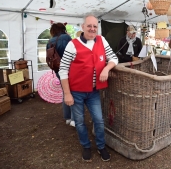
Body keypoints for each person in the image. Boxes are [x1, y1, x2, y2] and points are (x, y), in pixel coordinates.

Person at [59, 14, 118, 162]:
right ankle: (86, 146)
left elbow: (114, 58)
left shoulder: (101, 40)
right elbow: (63, 70)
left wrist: (106, 69)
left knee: (98, 120)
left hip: (93, 92)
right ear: (83, 27)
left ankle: (100, 146)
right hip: (76, 92)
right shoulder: (73, 44)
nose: (92, 29)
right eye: (89, 26)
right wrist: (67, 94)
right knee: (79, 121)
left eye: (95, 26)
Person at [46, 23, 75, 127]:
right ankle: (73, 119)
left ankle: (67, 117)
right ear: (63, 29)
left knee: (65, 92)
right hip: (69, 69)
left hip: (58, 69)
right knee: (73, 92)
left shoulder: (49, 41)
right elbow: (74, 52)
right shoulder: (66, 37)